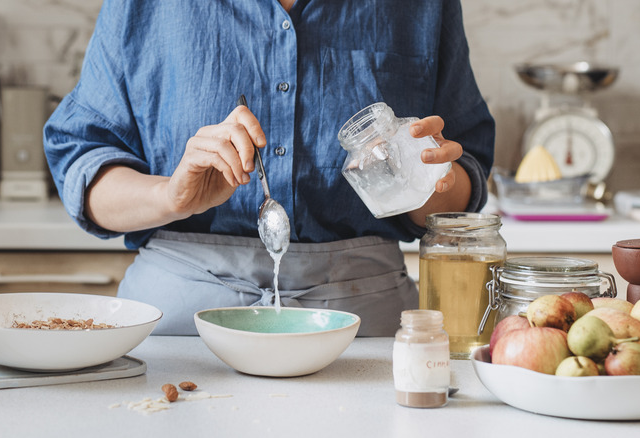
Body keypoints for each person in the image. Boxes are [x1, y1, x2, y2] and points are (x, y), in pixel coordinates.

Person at [43, 0, 495, 336]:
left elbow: (461, 181)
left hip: (365, 321)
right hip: (175, 326)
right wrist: (169, 196)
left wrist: (430, 180)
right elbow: (84, 161)